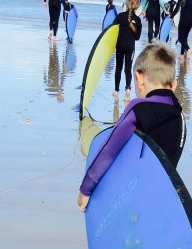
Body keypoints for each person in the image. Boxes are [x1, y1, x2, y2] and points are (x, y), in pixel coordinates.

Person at [77, 43, 186, 211]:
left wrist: (85, 189)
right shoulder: (180, 117)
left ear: (140, 78)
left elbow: (109, 149)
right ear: (173, 85)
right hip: (159, 198)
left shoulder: (139, 108)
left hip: (129, 196)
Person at [112, 0, 142, 101]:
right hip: (130, 47)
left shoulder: (120, 16)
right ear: (137, 6)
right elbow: (137, 38)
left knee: (118, 68)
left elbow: (112, 31)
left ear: (127, 4)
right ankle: (128, 89)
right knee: (128, 68)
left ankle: (116, 91)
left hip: (119, 45)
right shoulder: (138, 20)